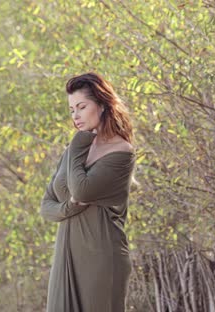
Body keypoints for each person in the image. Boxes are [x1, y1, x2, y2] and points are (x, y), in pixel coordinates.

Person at [40, 72, 136, 312]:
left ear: (102, 105)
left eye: (81, 107)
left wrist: (77, 144)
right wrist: (69, 207)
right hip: (66, 256)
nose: (76, 116)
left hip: (101, 256)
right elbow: (46, 207)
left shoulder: (121, 152)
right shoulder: (75, 149)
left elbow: (81, 191)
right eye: (72, 110)